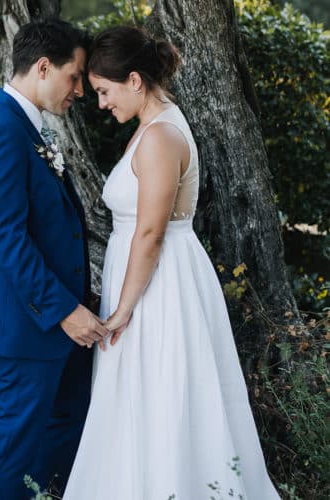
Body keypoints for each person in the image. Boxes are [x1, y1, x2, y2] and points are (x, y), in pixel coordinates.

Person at [63, 26, 281, 500]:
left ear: (135, 80)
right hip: (145, 279)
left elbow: (150, 232)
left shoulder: (161, 135)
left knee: (162, 391)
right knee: (141, 395)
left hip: (158, 288)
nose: (101, 104)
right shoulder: (151, 127)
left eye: (104, 91)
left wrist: (122, 309)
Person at [0, 19, 109, 500]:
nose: (79, 90)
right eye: (74, 77)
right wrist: (64, 310)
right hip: (26, 320)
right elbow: (5, 238)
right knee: (15, 438)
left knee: (63, 422)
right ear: (43, 67)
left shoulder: (23, 125)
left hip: (53, 319)